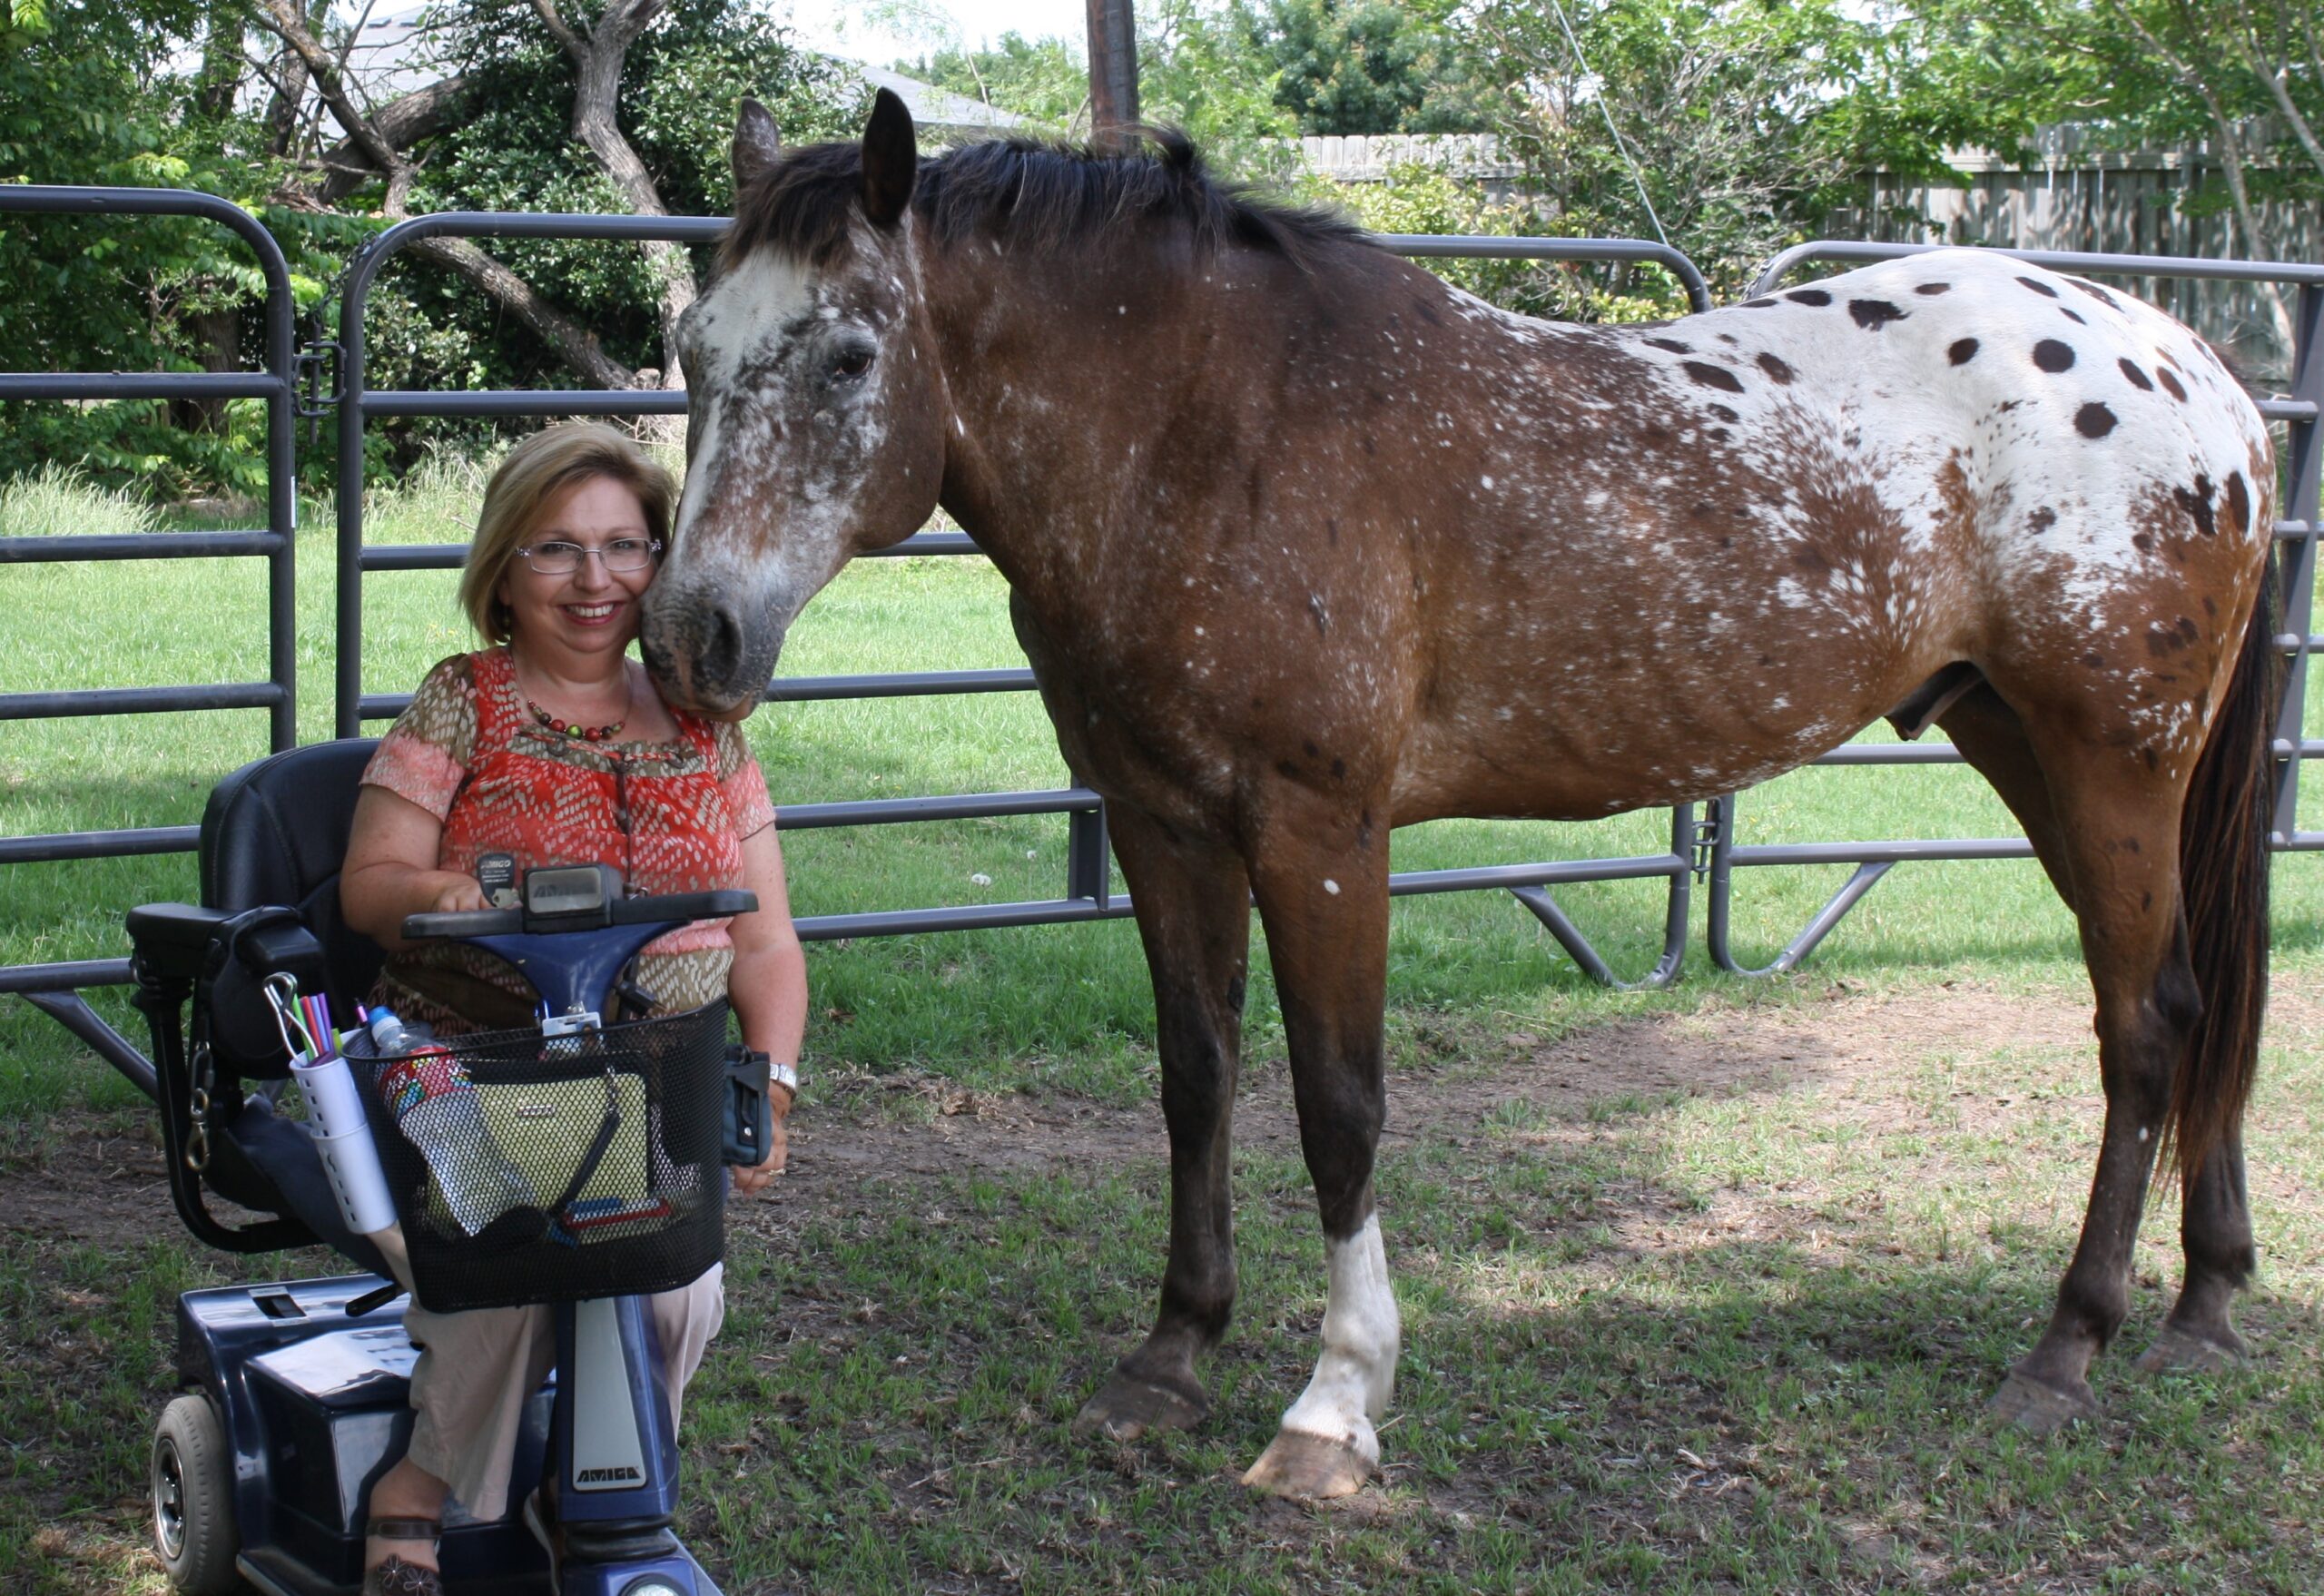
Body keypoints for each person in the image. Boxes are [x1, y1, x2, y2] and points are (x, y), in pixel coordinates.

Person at [340, 423, 805, 1595]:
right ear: (503, 568)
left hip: (658, 1083)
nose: (594, 581)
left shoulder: (710, 723)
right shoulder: (465, 702)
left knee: (675, 1282)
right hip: (470, 1067)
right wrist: (443, 891)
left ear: (665, 563)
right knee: (511, 1257)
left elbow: (766, 937)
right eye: (556, 548)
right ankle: (420, 1487)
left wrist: (774, 1077)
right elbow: (370, 886)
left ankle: (598, 1485)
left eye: (623, 546)